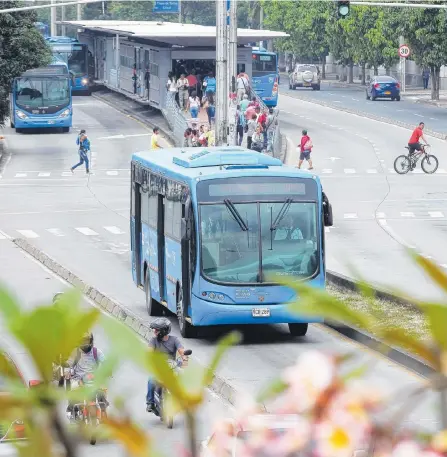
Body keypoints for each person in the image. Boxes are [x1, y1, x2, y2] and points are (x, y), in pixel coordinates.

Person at [146, 318, 188, 412]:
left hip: (172, 366)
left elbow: (181, 350)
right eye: (154, 329)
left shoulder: (174, 340)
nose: (154, 331)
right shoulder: (153, 340)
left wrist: (184, 358)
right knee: (151, 380)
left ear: (163, 331)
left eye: (157, 330)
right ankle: (150, 403)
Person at [65, 332, 108, 419]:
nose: (84, 343)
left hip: (94, 380)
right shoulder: (75, 352)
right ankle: (73, 411)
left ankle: (103, 411)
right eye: (82, 341)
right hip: (78, 380)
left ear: (91, 341)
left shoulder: (97, 352)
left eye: (86, 341)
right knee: (73, 393)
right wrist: (67, 371)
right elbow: (69, 363)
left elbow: (105, 363)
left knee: (102, 391)